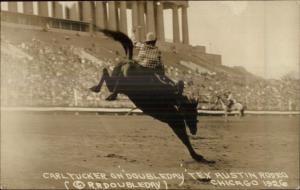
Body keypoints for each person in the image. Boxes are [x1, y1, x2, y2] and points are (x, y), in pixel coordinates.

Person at [105, 32, 182, 101]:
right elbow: (159, 64)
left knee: (122, 72)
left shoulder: (143, 46)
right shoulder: (157, 51)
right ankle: (175, 87)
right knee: (163, 78)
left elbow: (134, 43)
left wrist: (133, 34)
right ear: (154, 42)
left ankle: (115, 93)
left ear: (147, 41)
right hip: (151, 72)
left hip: (140, 68)